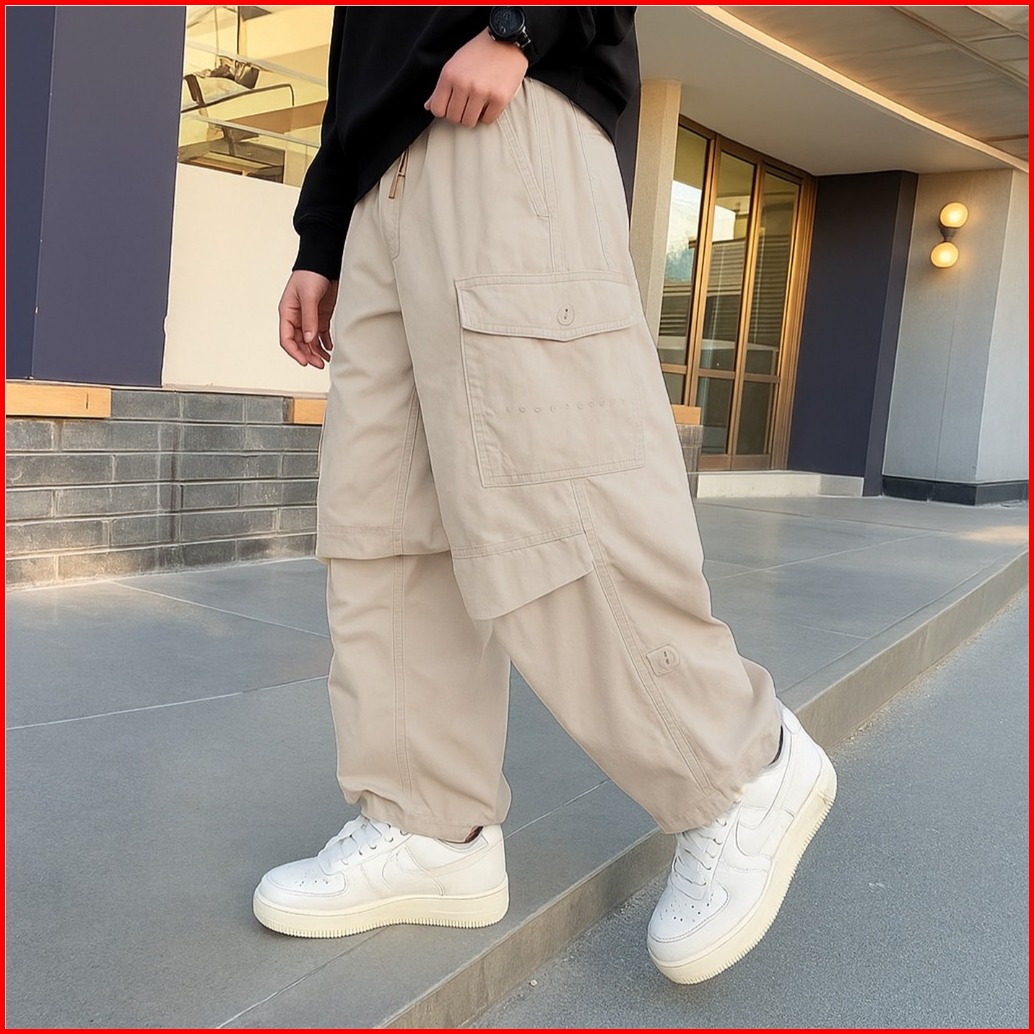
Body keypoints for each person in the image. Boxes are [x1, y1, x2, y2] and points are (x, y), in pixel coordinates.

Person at [256, 7, 836, 985]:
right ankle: (427, 825)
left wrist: (521, 25)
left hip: (503, 107)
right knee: (384, 522)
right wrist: (321, 234)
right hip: (376, 178)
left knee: (553, 485)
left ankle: (741, 772)